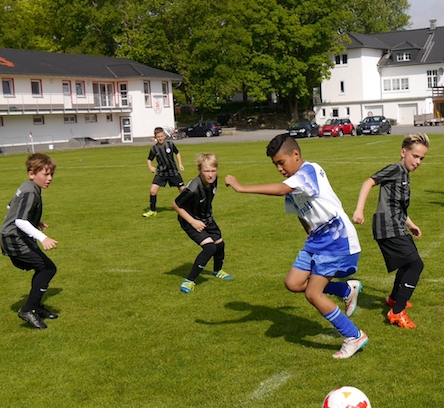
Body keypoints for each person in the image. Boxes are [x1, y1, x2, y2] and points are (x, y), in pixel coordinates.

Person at [224, 133, 366, 359]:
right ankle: (346, 290)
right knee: (293, 283)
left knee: (313, 294)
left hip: (336, 238)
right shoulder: (293, 183)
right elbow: (301, 212)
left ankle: (353, 335)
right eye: (276, 165)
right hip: (317, 240)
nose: (279, 168)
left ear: (296, 154)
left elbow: (282, 189)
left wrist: (242, 188)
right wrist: (309, 234)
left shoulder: (309, 171)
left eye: (281, 162)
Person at [353, 134, 429, 329]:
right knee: (416, 265)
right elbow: (368, 182)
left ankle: (394, 299)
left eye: (422, 158)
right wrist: (359, 210)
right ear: (403, 152)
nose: (418, 162)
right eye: (415, 156)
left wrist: (410, 224)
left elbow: (397, 206)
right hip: (387, 226)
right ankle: (397, 312)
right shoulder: (395, 169)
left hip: (397, 225)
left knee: (408, 264)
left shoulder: (405, 175)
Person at [0, 153, 59, 329]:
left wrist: (35, 221)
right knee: (48, 268)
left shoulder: (27, 187)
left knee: (43, 268)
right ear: (32, 174)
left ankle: (36, 306)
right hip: (13, 239)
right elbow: (19, 221)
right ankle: (28, 310)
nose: (49, 178)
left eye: (51, 174)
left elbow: (11, 206)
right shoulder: (30, 191)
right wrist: (43, 237)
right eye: (45, 174)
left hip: (14, 236)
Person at [173, 153, 233, 293]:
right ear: (199, 170)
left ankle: (217, 271)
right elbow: (176, 205)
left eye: (213, 170)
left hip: (206, 217)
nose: (210, 175)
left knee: (219, 244)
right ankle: (189, 281)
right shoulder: (193, 188)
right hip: (190, 220)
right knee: (209, 248)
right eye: (206, 171)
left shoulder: (214, 180)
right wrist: (193, 222)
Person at [143, 126, 184, 217]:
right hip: (161, 173)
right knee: (152, 191)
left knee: (182, 190)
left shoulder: (170, 144)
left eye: (161, 136)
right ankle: (153, 210)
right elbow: (149, 159)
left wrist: (180, 164)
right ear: (155, 137)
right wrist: (150, 167)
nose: (160, 138)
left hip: (173, 172)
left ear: (164, 136)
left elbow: (177, 153)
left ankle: (190, 207)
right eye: (158, 137)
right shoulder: (154, 149)